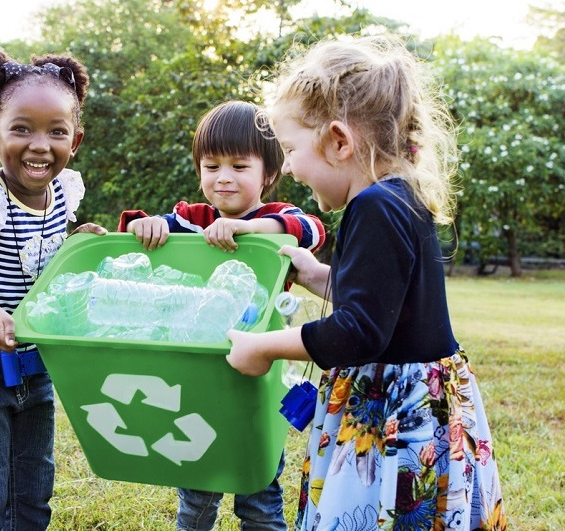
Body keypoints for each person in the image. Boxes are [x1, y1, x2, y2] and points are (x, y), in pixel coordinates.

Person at [225, 35, 507, 530]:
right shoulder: (399, 195)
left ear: (338, 141)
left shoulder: (373, 206)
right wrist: (316, 275)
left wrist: (264, 346)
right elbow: (385, 304)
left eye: (290, 150)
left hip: (395, 412)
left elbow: (359, 331)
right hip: (424, 399)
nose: (287, 166)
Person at [119, 100, 327, 531]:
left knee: (260, 492)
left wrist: (247, 228)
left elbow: (309, 229)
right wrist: (147, 226)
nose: (223, 177)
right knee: (197, 486)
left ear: (268, 173)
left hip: (258, 376)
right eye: (211, 166)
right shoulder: (193, 220)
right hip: (198, 373)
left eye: (238, 166)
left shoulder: (275, 218)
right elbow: (142, 231)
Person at [0, 47, 106, 530]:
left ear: (76, 139)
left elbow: (43, 265)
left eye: (57, 131)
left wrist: (77, 245)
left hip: (36, 366)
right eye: (21, 128)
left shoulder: (64, 192)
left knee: (33, 497)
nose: (39, 145)